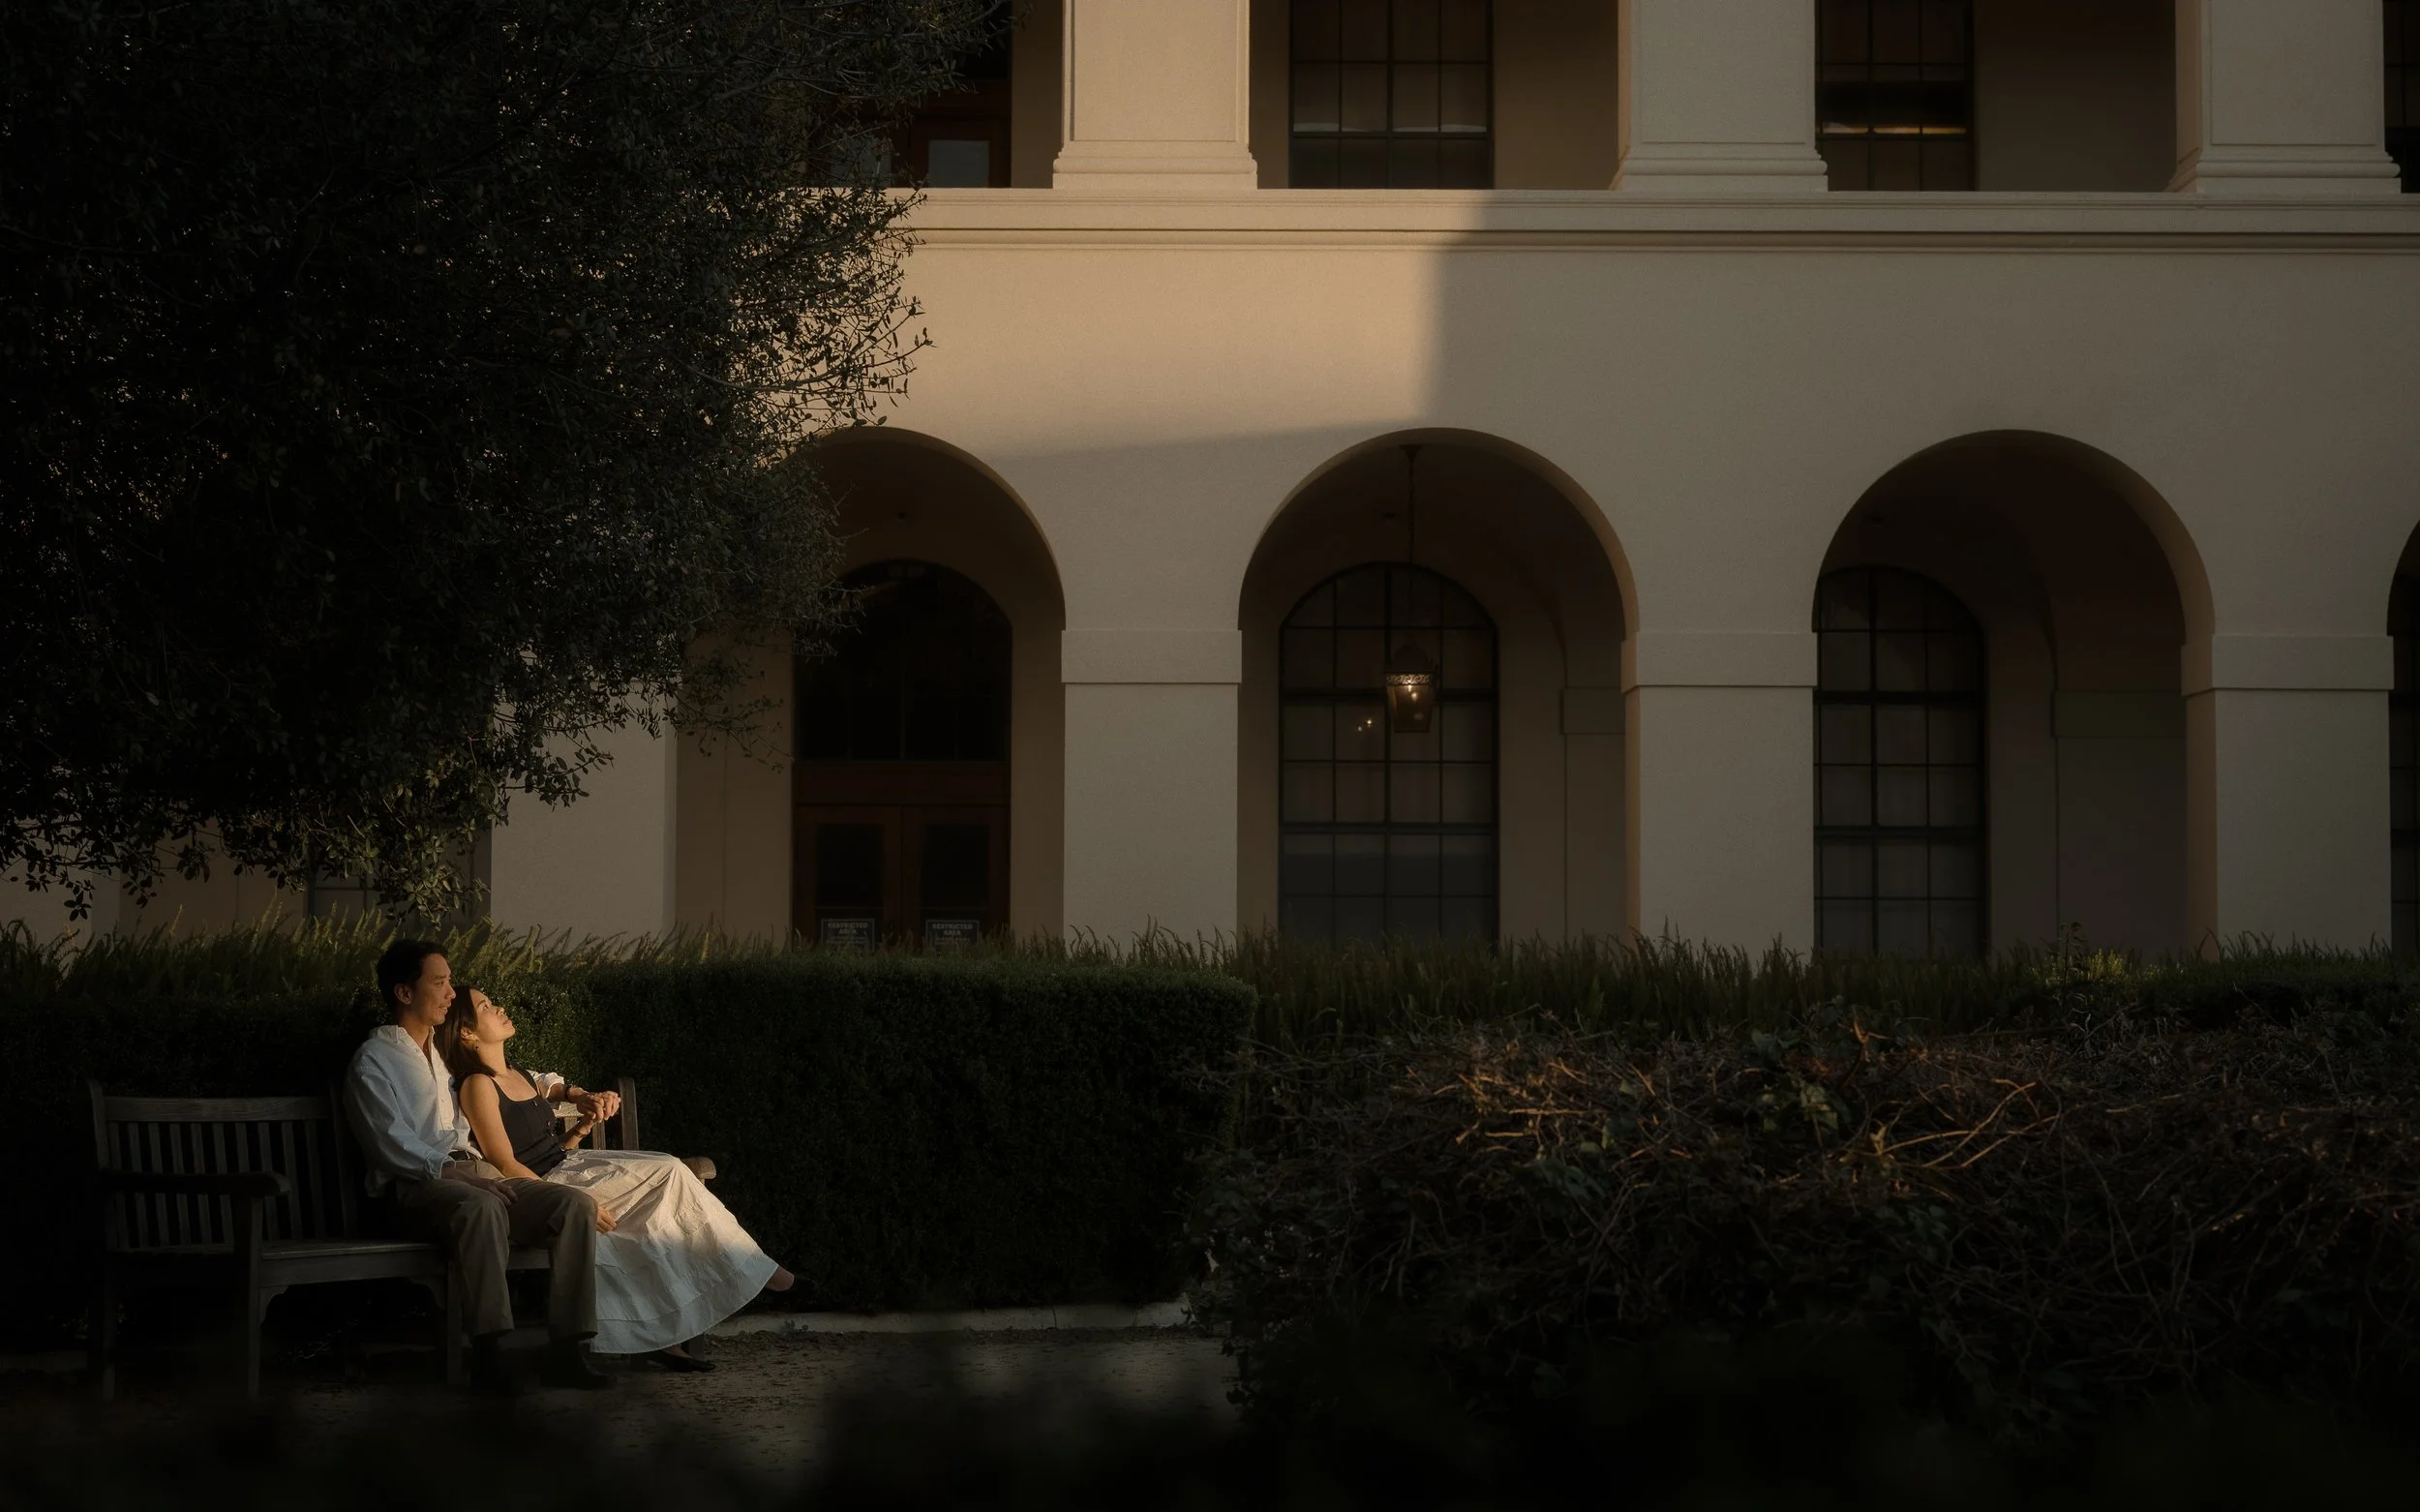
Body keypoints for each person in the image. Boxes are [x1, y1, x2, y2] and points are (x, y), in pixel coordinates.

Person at [440, 985, 797, 1372]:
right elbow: (506, 1162)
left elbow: (549, 1140)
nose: (500, 1008)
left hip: (569, 1162)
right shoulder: (478, 1085)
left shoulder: (522, 1075)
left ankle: (663, 1335)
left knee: (653, 1211)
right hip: (548, 1183)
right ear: (467, 1032)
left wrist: (581, 1125)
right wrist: (561, 1196)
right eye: (486, 1007)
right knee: (670, 1171)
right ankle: (760, 1271)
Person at [342, 940, 613, 1395]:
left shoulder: (445, 1052)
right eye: (440, 983)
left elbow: (518, 1074)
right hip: (418, 1184)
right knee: (481, 1207)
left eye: (450, 982)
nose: (452, 993)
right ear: (404, 993)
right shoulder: (374, 1061)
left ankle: (568, 1351)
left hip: (477, 1175)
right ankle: (490, 1354)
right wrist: (453, 1173)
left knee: (573, 1206)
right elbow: (388, 1142)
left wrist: (570, 1092)